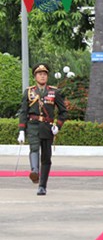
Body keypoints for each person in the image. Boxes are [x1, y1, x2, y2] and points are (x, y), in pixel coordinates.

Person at [17, 63, 68, 195]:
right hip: (33, 125)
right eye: (40, 74)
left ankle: (42, 186)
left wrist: (58, 125)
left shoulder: (54, 92)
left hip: (47, 127)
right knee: (34, 148)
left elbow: (63, 111)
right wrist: (21, 131)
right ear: (35, 77)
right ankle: (34, 171)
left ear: (47, 76)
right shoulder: (29, 92)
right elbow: (23, 112)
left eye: (44, 74)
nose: (42, 76)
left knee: (46, 156)